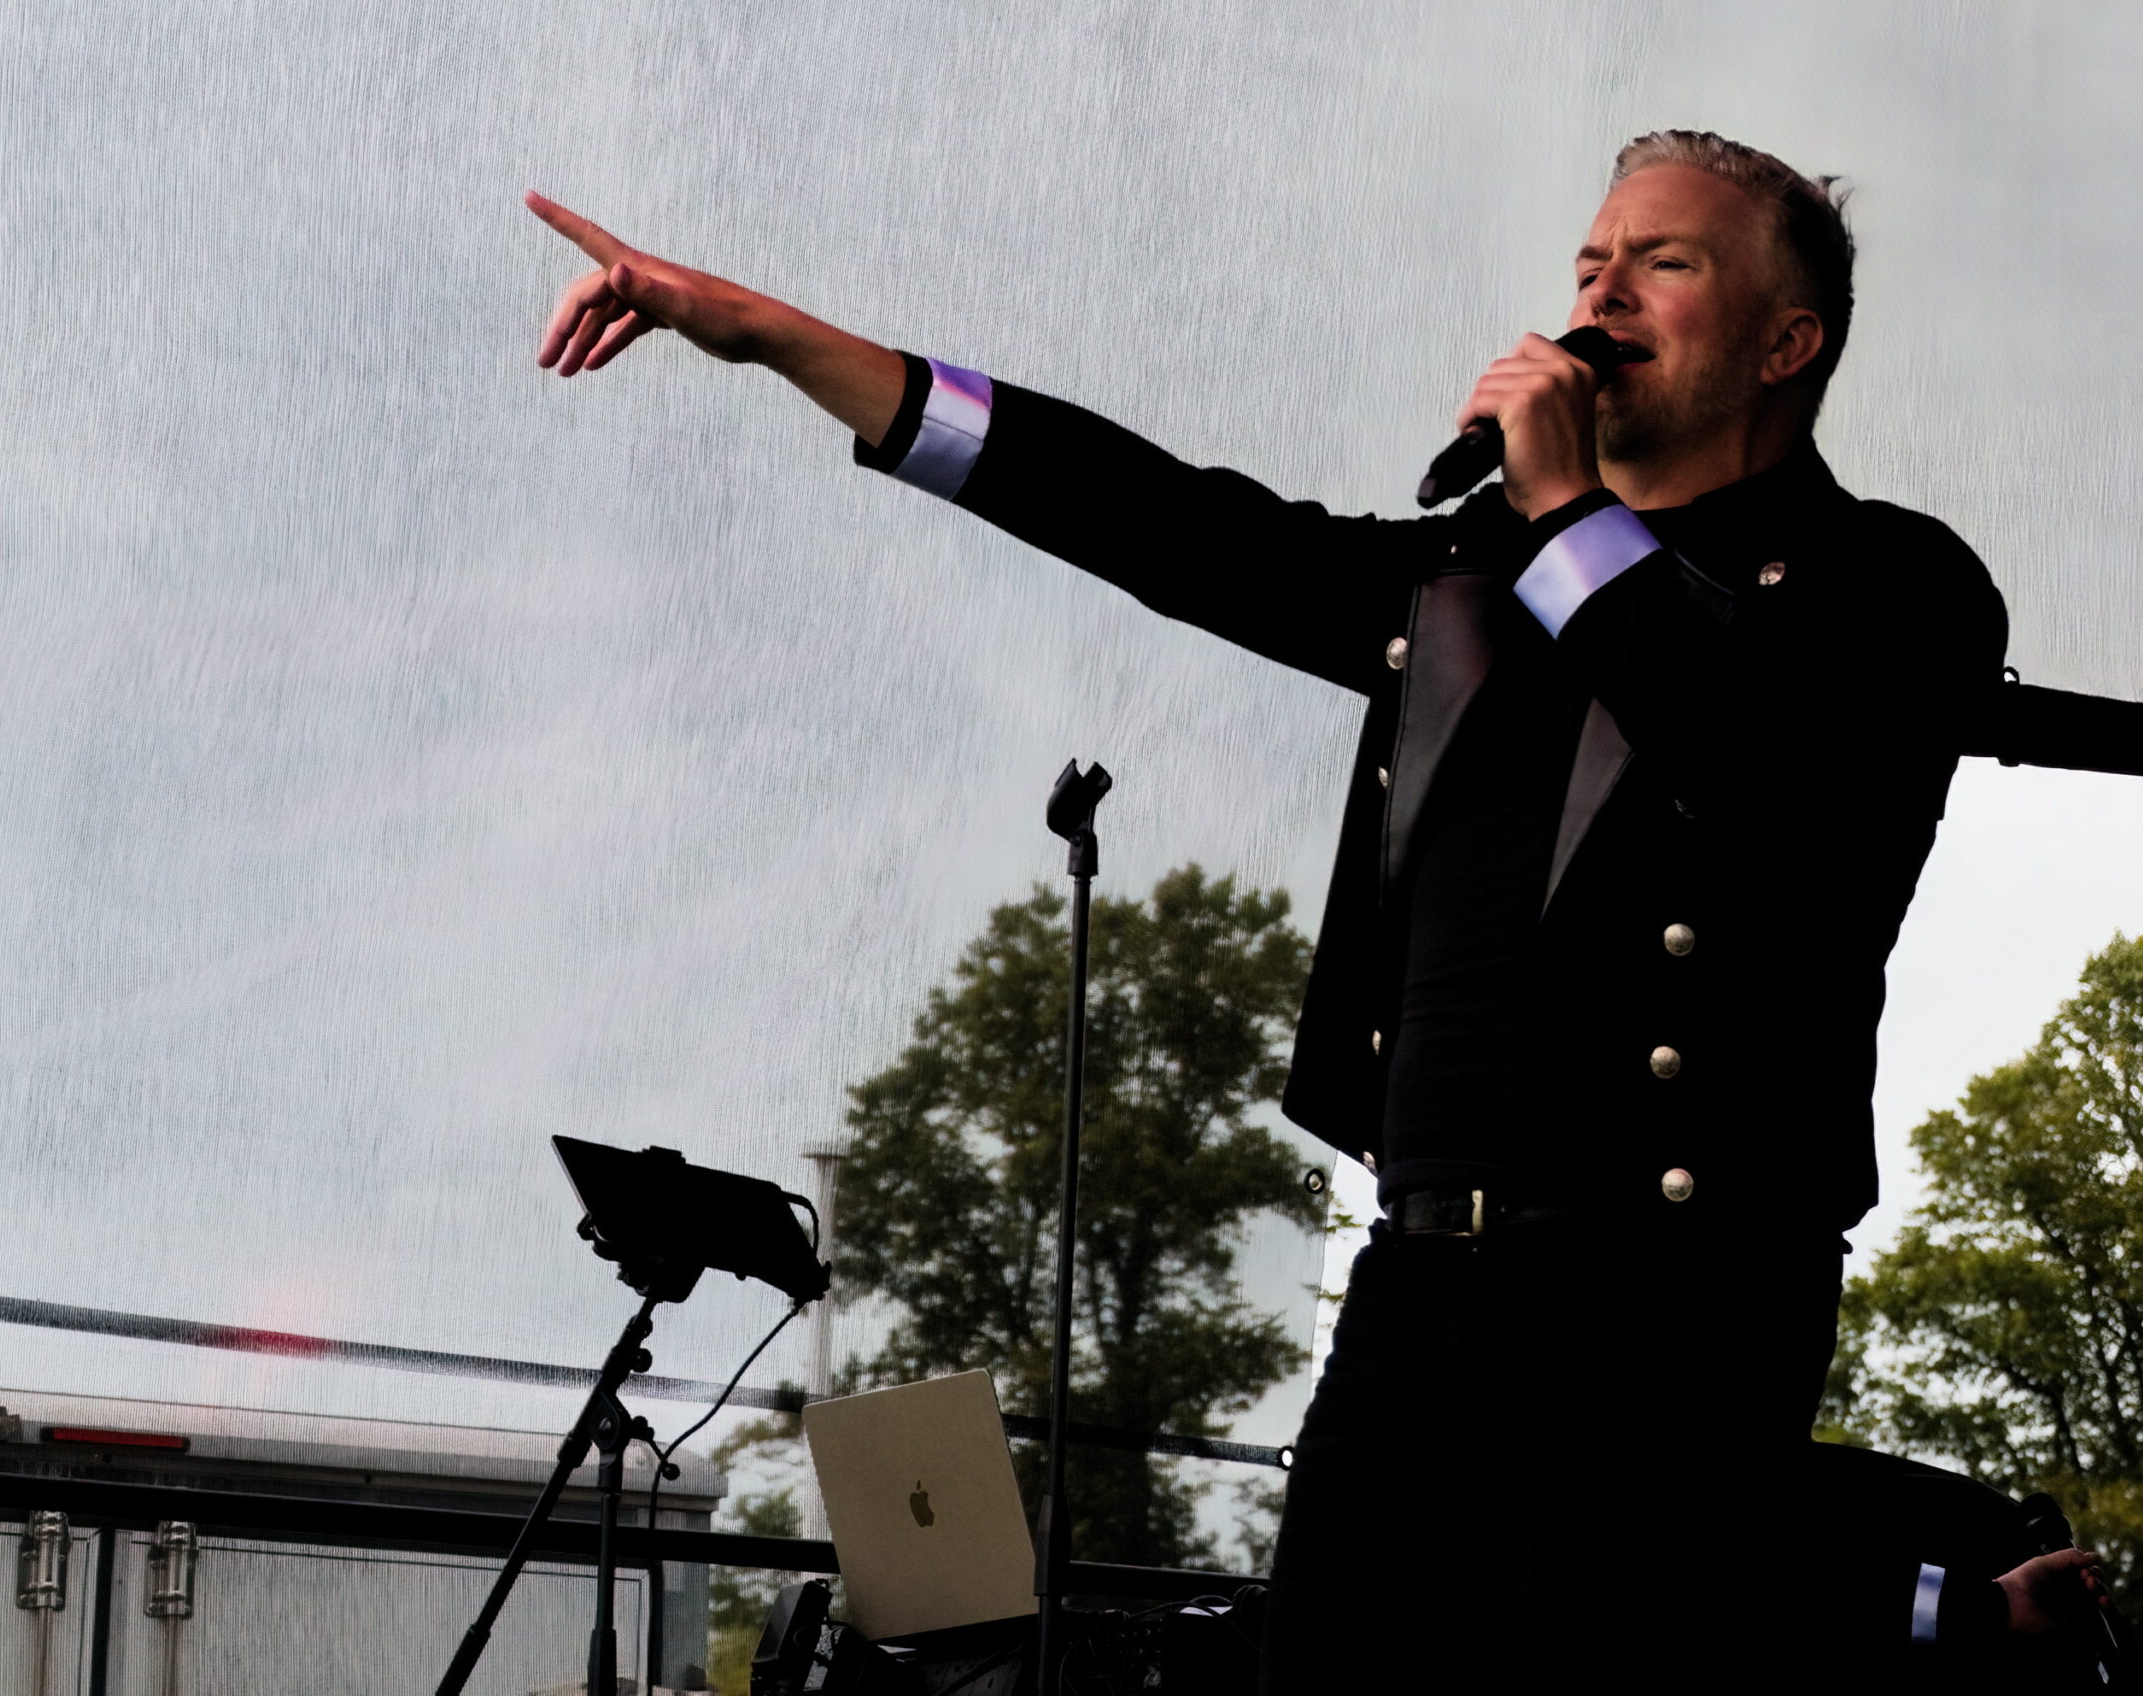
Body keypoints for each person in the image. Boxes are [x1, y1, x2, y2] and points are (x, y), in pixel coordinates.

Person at [524, 131, 2017, 1688]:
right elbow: (1163, 523)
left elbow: (1749, 755)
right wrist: (775, 338)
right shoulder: (1465, 580)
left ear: (1787, 342)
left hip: (1674, 1307)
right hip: (1420, 1285)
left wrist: (1569, 510)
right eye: (1590, 264)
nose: (1601, 295)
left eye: (1667, 262)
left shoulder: (1892, 585)